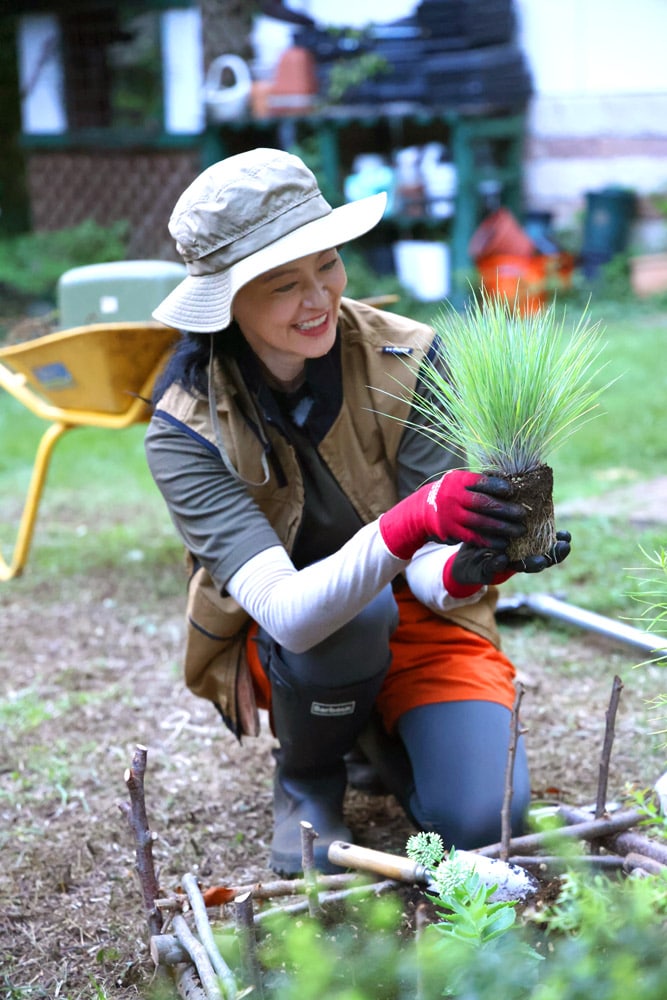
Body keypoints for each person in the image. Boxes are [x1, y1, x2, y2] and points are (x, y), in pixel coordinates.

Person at [145, 147, 571, 876]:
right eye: (283, 284)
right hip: (298, 644)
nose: (318, 299)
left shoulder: (406, 359)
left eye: (327, 266)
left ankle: (377, 727)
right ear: (226, 303)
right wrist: (413, 522)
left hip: (423, 623)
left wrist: (467, 564)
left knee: (481, 820)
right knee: (353, 621)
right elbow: (287, 613)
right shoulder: (186, 431)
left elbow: (431, 574)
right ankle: (307, 776)